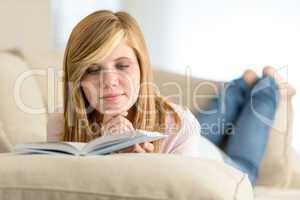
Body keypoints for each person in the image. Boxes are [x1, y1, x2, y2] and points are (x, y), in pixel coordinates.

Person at [47, 10, 295, 187]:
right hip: (191, 145)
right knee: (200, 127)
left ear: (142, 69)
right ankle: (241, 84)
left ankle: (267, 84)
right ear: (77, 78)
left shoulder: (178, 121)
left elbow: (186, 190)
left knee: (246, 166)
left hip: (218, 164)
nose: (109, 81)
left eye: (122, 66)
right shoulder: (62, 121)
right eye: (92, 69)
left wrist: (149, 166)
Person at [195, 67, 296, 186]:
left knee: (193, 136)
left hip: (186, 153)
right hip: (228, 173)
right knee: (242, 170)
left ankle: (245, 85)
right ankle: (265, 86)